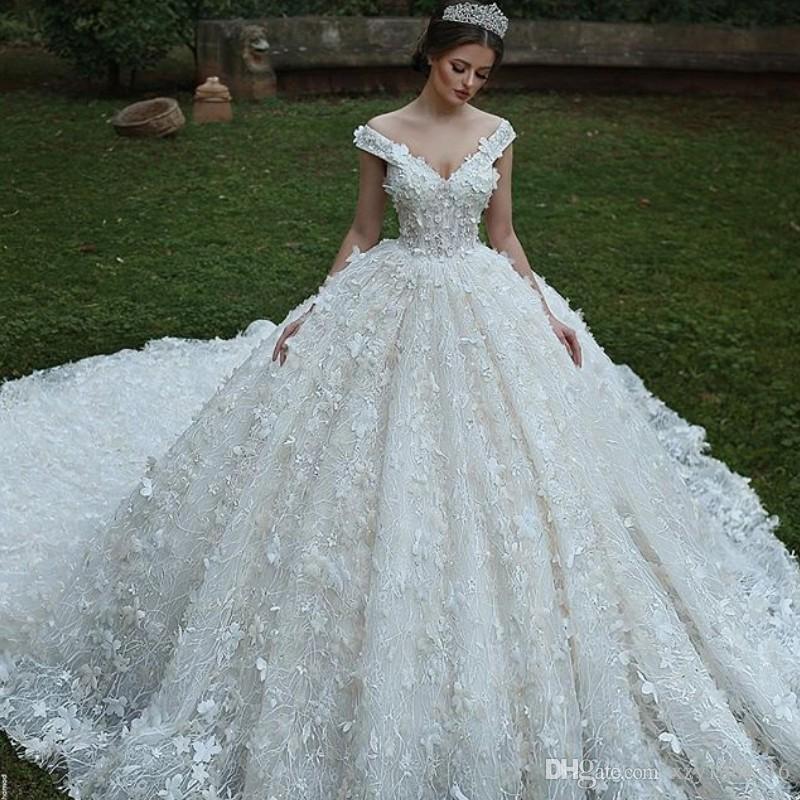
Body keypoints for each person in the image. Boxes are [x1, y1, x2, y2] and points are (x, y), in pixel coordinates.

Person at [1, 2, 800, 798]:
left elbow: (504, 236)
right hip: (396, 295)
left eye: (482, 74)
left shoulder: (499, 133)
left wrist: (542, 309)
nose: (470, 83)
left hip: (482, 304)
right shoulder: (382, 133)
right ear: (430, 56)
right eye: (459, 67)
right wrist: (319, 306)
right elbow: (363, 232)